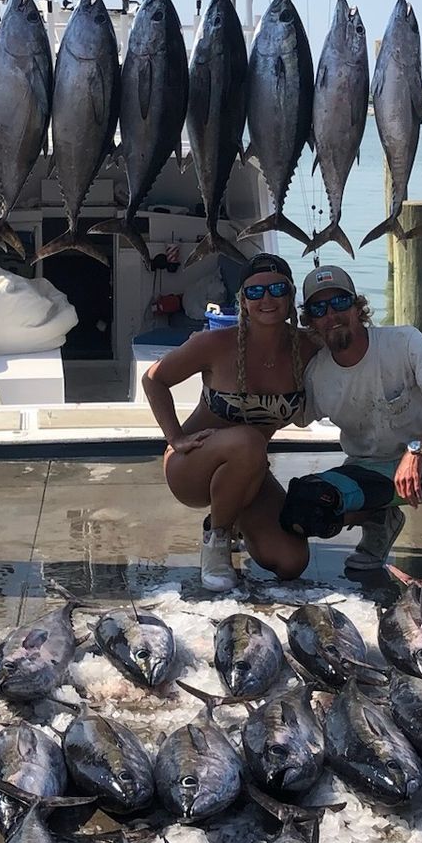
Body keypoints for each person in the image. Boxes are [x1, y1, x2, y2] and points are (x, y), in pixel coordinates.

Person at [291, 264, 422, 613]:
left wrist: (417, 448)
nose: (332, 314)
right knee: (303, 509)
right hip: (366, 472)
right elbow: (278, 413)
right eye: (319, 309)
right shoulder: (316, 372)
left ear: (358, 306)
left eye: (340, 302)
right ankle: (380, 519)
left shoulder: (403, 341)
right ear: (310, 321)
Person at [143, 252, 315, 590]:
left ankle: (235, 518)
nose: (266, 299)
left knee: (291, 562)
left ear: (291, 296)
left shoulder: (308, 347)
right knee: (249, 441)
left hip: (249, 471)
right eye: (254, 292)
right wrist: (175, 438)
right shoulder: (214, 343)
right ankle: (217, 540)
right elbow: (154, 379)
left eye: (277, 289)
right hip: (191, 465)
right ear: (243, 301)